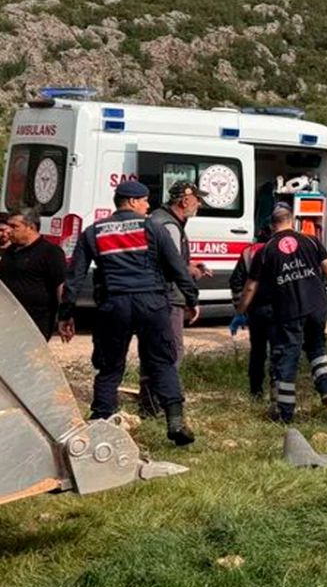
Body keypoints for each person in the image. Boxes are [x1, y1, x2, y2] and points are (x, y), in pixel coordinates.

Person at [58, 181, 199, 446]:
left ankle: (101, 421)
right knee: (161, 362)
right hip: (152, 304)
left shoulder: (93, 232)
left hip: (113, 305)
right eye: (145, 200)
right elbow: (178, 268)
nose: (148, 206)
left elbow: (74, 277)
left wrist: (66, 314)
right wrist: (191, 299)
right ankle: (176, 421)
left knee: (110, 366)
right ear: (132, 202)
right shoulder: (153, 228)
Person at [235, 206, 327, 422]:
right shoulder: (312, 241)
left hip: (289, 310)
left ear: (271, 226)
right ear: (293, 220)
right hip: (317, 306)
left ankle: (285, 413)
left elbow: (251, 286)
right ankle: (326, 389)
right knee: (317, 348)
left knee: (287, 358)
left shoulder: (266, 250)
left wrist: (240, 312)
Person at [140, 180, 213, 417]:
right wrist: (191, 295)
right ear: (185, 201)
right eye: (197, 199)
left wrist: (190, 267)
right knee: (171, 351)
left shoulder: (158, 219)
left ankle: (149, 403)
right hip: (168, 298)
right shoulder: (169, 226)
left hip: (151, 295)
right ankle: (160, 404)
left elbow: (166, 260)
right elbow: (171, 266)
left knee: (152, 350)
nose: (199, 204)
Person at [0, 209, 66, 340]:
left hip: (35, 322)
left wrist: (64, 316)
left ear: (31, 227)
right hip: (8, 321)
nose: (9, 230)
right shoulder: (10, 252)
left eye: (14, 226)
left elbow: (61, 286)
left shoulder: (50, 252)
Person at [229, 228, 272, 398]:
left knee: (257, 352)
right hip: (279, 309)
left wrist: (240, 310)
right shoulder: (278, 249)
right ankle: (277, 390)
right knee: (279, 351)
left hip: (256, 310)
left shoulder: (248, 252)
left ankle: (256, 391)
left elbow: (236, 281)